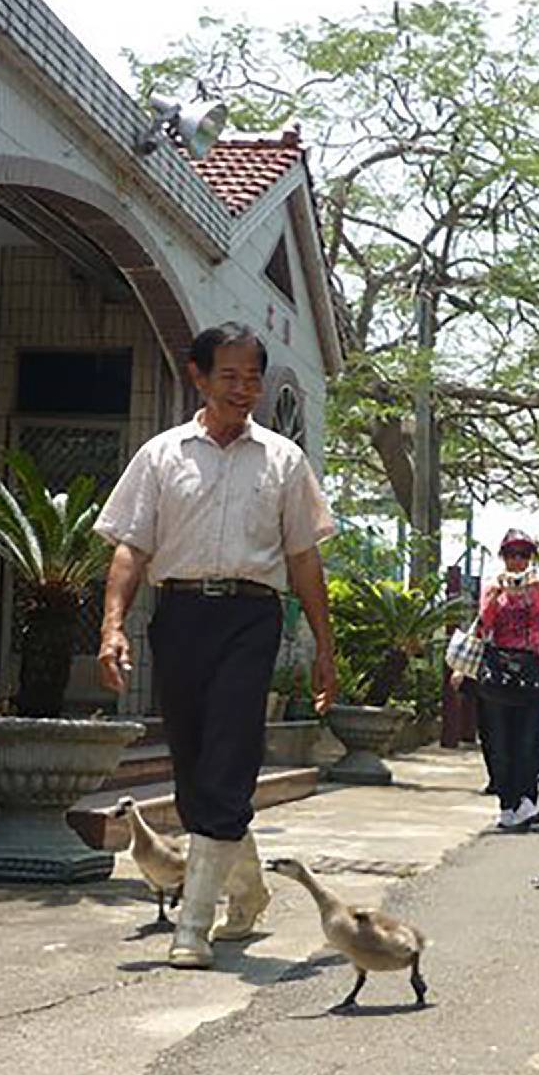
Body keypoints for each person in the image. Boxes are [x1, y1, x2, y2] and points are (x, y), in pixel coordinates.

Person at [95, 322, 339, 970]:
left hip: (251, 618)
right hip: (177, 617)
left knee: (230, 756)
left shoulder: (284, 461)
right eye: (229, 376)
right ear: (198, 377)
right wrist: (111, 625)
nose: (244, 389)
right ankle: (250, 890)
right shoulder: (161, 455)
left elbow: (305, 561)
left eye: (253, 377)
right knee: (196, 767)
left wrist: (324, 646)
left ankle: (193, 926)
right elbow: (130, 547)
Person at [476, 529, 539, 832]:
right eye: (511, 554)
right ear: (502, 558)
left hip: (531, 669)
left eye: (523, 555)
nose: (517, 561)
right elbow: (482, 628)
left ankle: (528, 799)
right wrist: (494, 596)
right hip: (499, 670)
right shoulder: (493, 586)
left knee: (529, 740)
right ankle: (507, 802)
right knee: (499, 742)